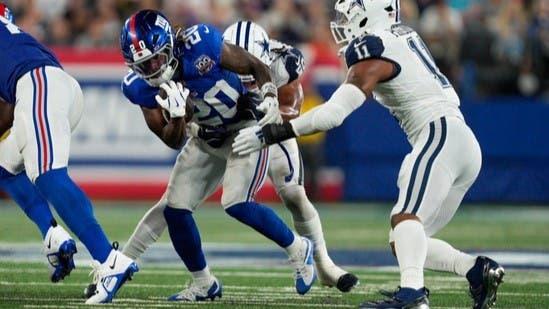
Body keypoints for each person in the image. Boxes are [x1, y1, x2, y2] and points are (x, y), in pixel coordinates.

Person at [232, 1, 505, 308]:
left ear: (369, 13)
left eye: (349, 16)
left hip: (439, 134)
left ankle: (412, 295)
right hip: (459, 140)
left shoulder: (374, 46)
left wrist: (272, 132)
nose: (344, 24)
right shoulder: (400, 36)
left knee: (405, 220)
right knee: (404, 239)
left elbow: (332, 115)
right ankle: (476, 270)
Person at [116, 10, 316, 301]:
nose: (152, 69)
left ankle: (298, 248)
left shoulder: (202, 45)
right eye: (143, 65)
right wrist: (177, 117)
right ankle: (203, 283)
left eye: (156, 58)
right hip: (206, 137)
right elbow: (173, 141)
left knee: (236, 202)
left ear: (169, 45)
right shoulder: (138, 87)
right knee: (175, 210)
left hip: (243, 128)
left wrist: (270, 95)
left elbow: (254, 64)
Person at [0, 2, 137, 304]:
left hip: (38, 84)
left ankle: (110, 260)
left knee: (48, 176)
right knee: (4, 163)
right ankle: (52, 235)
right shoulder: (11, 37)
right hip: (53, 86)